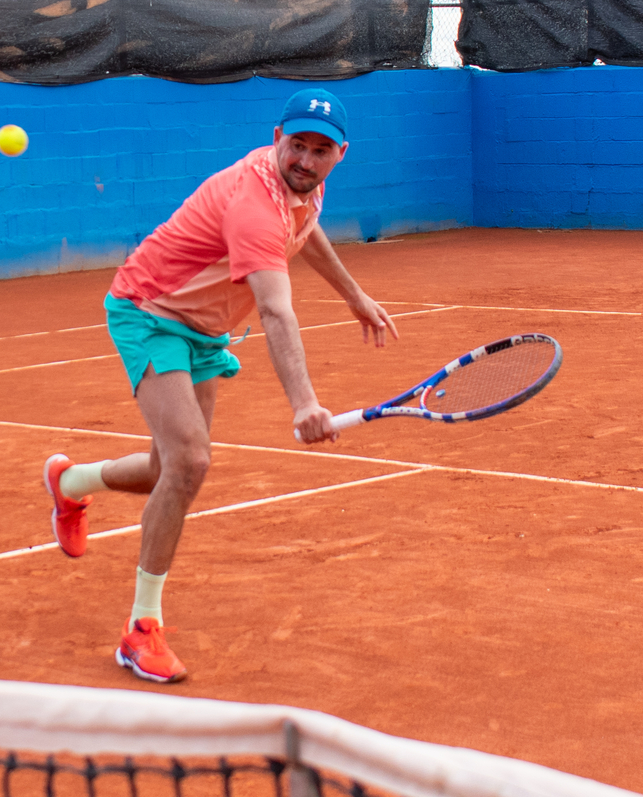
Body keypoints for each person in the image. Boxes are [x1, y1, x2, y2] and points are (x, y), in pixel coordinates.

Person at [43, 88, 398, 683]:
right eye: (297, 145)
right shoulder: (254, 203)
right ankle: (141, 630)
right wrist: (304, 403)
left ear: (340, 154)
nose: (305, 160)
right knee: (189, 462)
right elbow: (276, 311)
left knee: (165, 470)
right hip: (150, 311)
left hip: (204, 328)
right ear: (277, 138)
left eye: (321, 150)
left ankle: (70, 482)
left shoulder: (304, 187)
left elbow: (306, 230)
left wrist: (354, 295)